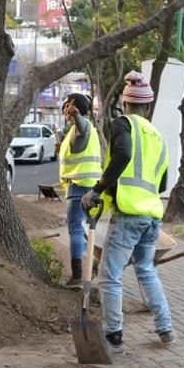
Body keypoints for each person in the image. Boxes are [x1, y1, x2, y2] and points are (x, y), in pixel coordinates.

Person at [80, 71, 173, 354]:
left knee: (109, 275)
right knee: (146, 269)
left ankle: (113, 338)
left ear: (125, 102)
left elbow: (122, 155)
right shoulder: (158, 136)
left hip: (129, 215)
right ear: (148, 105)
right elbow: (163, 183)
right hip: (152, 216)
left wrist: (96, 190)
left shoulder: (121, 124)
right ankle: (165, 326)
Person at [59, 92, 104, 288]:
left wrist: (76, 115)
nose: (65, 111)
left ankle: (78, 276)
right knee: (83, 229)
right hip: (92, 185)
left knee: (75, 229)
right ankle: (90, 264)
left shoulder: (83, 126)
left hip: (79, 186)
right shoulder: (90, 130)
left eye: (67, 106)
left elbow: (82, 128)